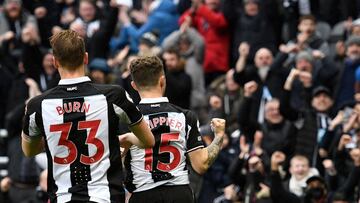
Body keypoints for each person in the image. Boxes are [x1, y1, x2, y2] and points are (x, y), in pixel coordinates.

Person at [21, 30, 155, 203]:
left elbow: (28, 151)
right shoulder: (114, 95)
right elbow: (149, 141)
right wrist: (127, 138)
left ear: (55, 62)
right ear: (85, 58)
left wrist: (59, 138)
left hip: (62, 198)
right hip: (105, 197)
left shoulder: (37, 105)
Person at [121, 56, 226, 203]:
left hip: (143, 194)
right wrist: (219, 136)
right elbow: (201, 165)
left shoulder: (126, 119)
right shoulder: (185, 116)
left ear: (134, 85)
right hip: (180, 194)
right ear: (162, 80)